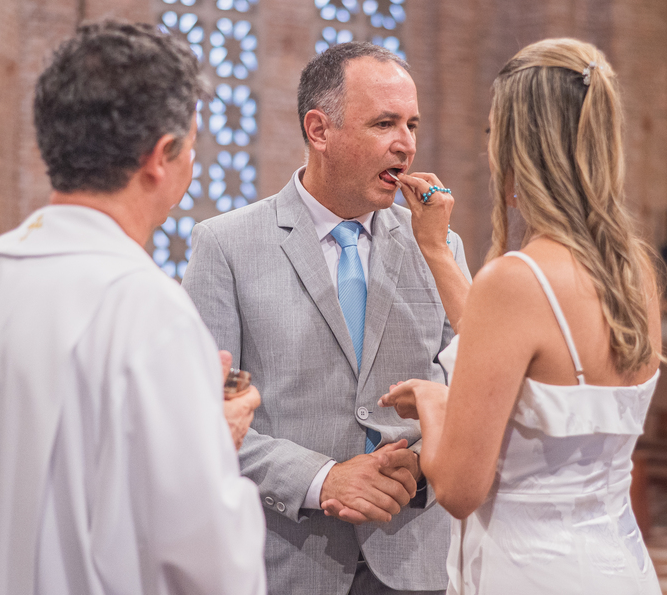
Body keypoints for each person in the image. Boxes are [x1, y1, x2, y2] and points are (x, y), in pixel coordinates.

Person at [0, 21, 267, 595]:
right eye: (193, 144)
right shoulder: (148, 312)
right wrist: (215, 441)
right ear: (161, 156)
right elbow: (208, 564)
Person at [379, 38, 665, 594]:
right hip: (617, 564)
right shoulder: (635, 273)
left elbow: (461, 490)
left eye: (493, 134)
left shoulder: (516, 279)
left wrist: (438, 404)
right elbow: (525, 352)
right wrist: (437, 252)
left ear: (517, 146)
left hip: (532, 571)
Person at [182, 42, 465, 595]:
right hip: (288, 557)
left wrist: (420, 462)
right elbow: (199, 413)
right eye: (384, 123)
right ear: (319, 129)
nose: (405, 144)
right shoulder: (226, 245)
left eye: (411, 124)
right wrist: (323, 479)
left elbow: (472, 385)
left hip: (415, 557)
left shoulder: (438, 244)